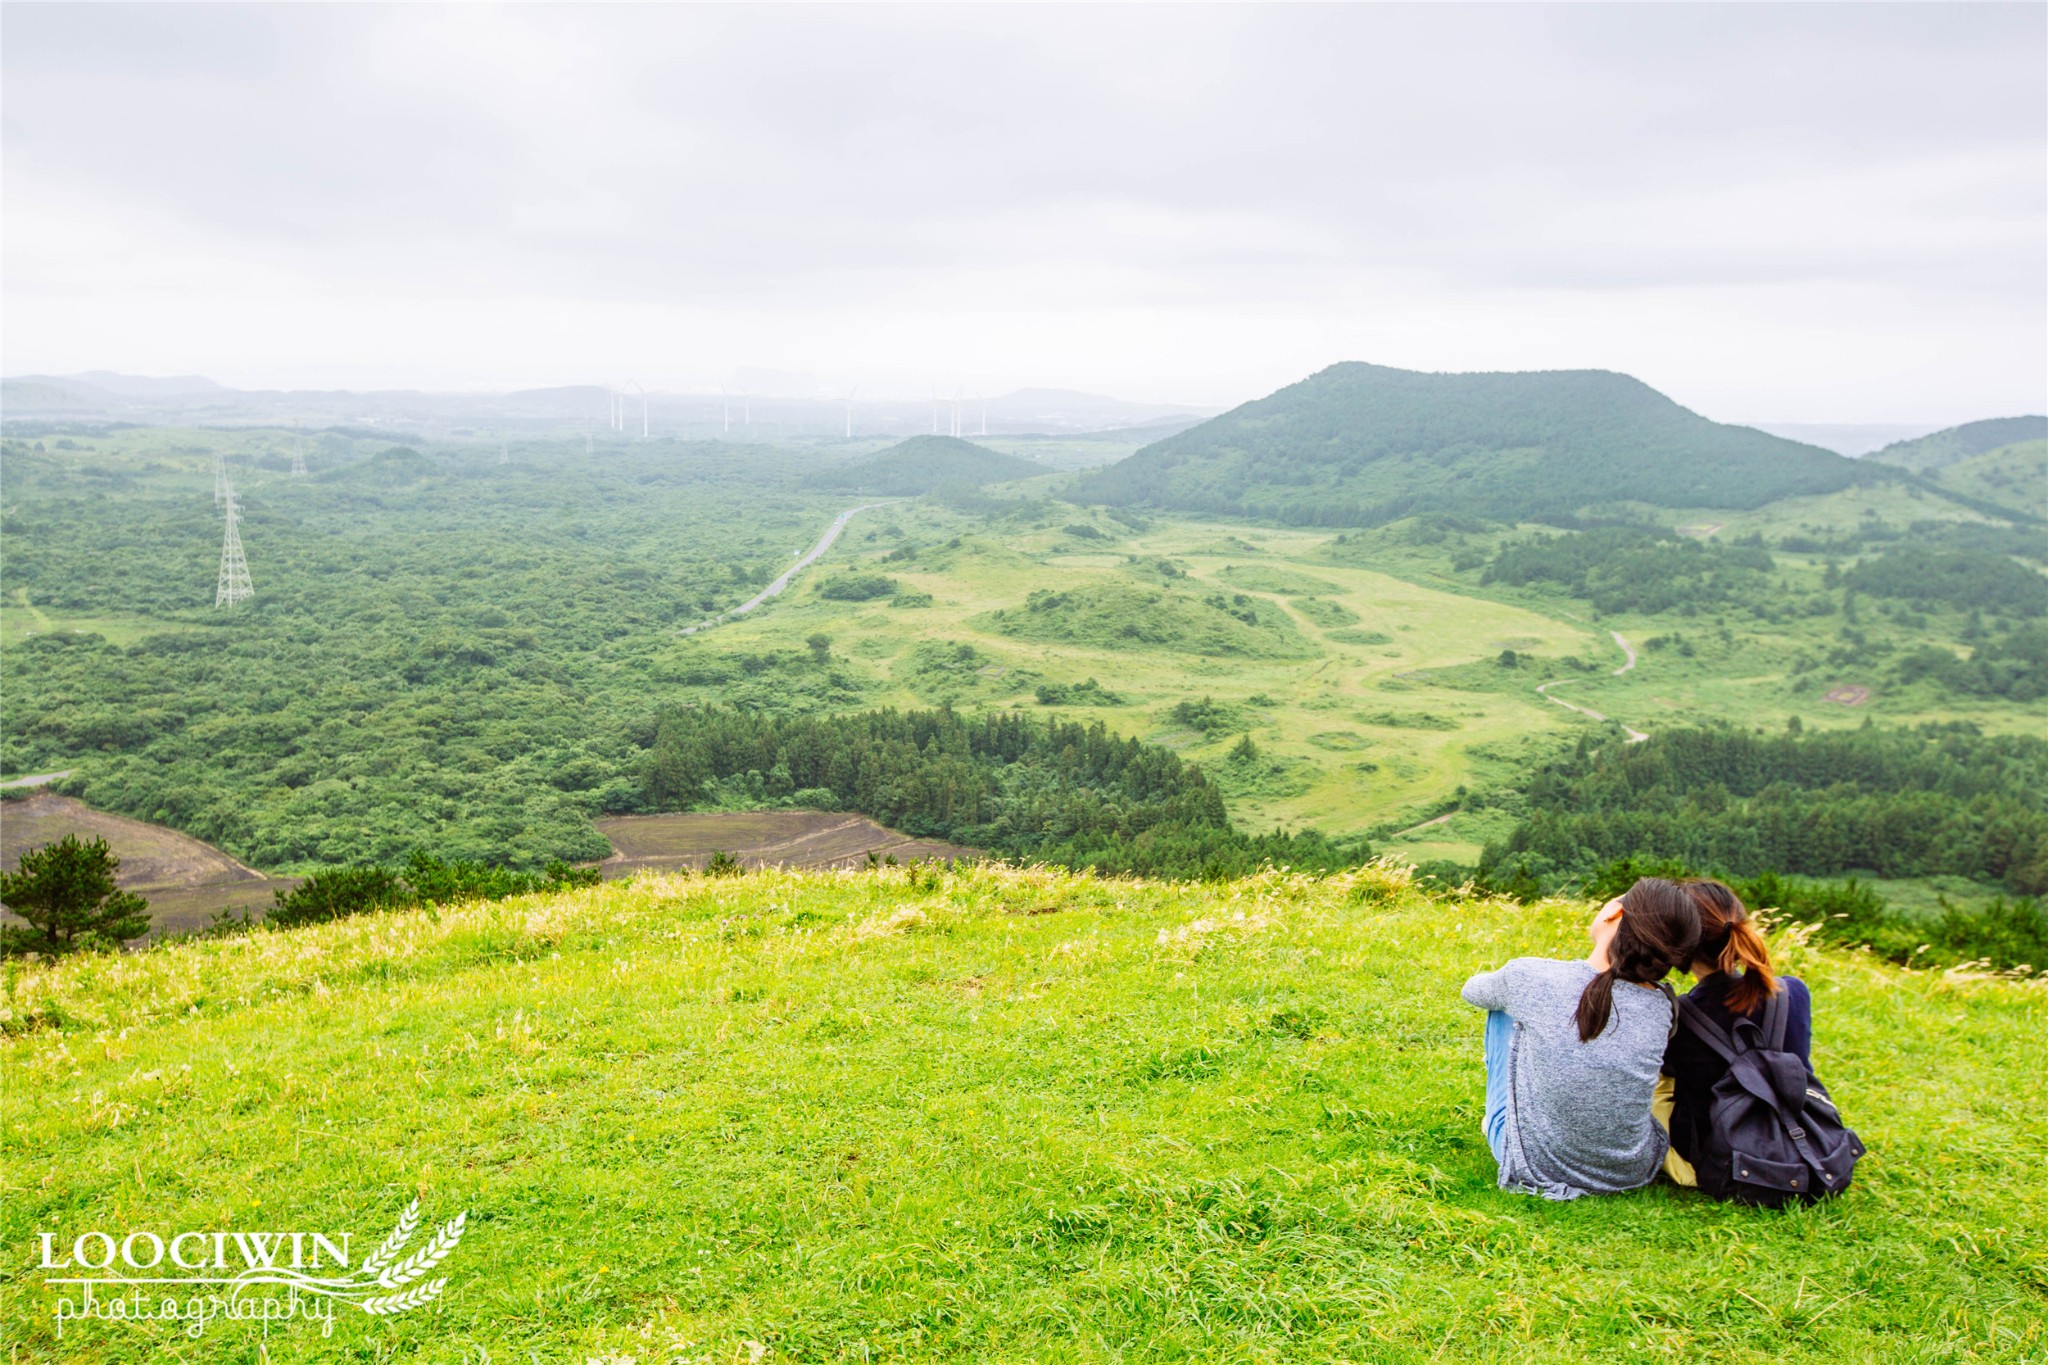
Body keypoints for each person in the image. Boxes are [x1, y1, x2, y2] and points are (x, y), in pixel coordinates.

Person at [1461, 877, 1701, 1199]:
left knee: (1504, 1010)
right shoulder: (1662, 1007)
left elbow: (1472, 991)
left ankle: (1500, 1119)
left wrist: (1511, 983)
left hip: (1535, 1164)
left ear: (1614, 913)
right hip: (1630, 1169)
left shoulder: (1531, 976)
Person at [1653, 878, 1810, 1187]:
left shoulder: (1678, 1016)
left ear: (1680, 946)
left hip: (1715, 1155)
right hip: (1794, 1138)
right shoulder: (1792, 992)